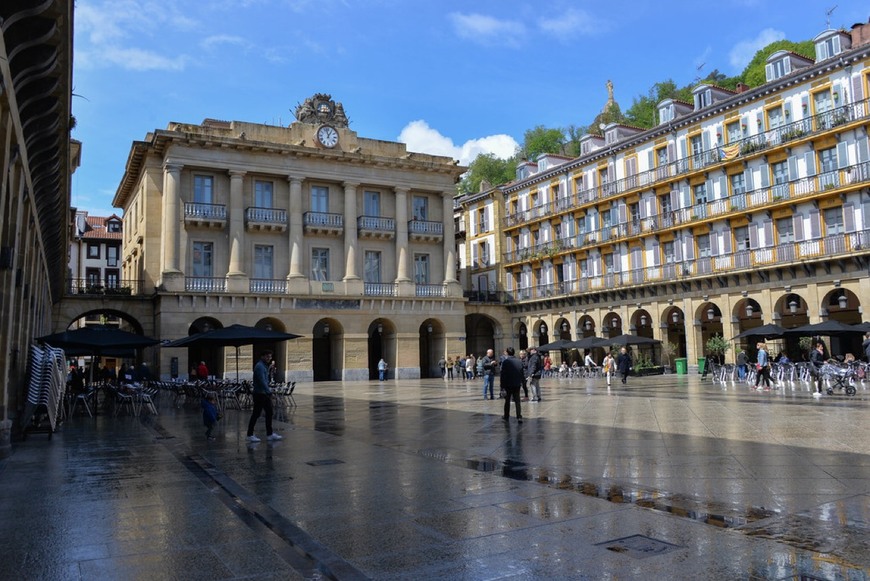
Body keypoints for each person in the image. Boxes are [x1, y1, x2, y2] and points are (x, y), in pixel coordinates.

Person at [246, 350, 281, 442]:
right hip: (260, 394)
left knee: (269, 412)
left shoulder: (264, 366)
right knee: (256, 414)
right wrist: (269, 392)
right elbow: (262, 381)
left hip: (264, 394)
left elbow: (265, 380)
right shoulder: (260, 367)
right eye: (267, 356)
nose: (269, 358)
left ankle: (270, 433)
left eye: (270, 356)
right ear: (262, 356)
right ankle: (250, 434)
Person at [499, 347, 523, 423]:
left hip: (508, 384)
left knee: (507, 401)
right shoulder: (519, 361)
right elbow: (521, 372)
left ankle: (506, 416)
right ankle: (519, 416)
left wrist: (502, 386)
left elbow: (503, 374)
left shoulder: (506, 362)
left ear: (507, 353)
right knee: (517, 401)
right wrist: (521, 382)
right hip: (517, 383)